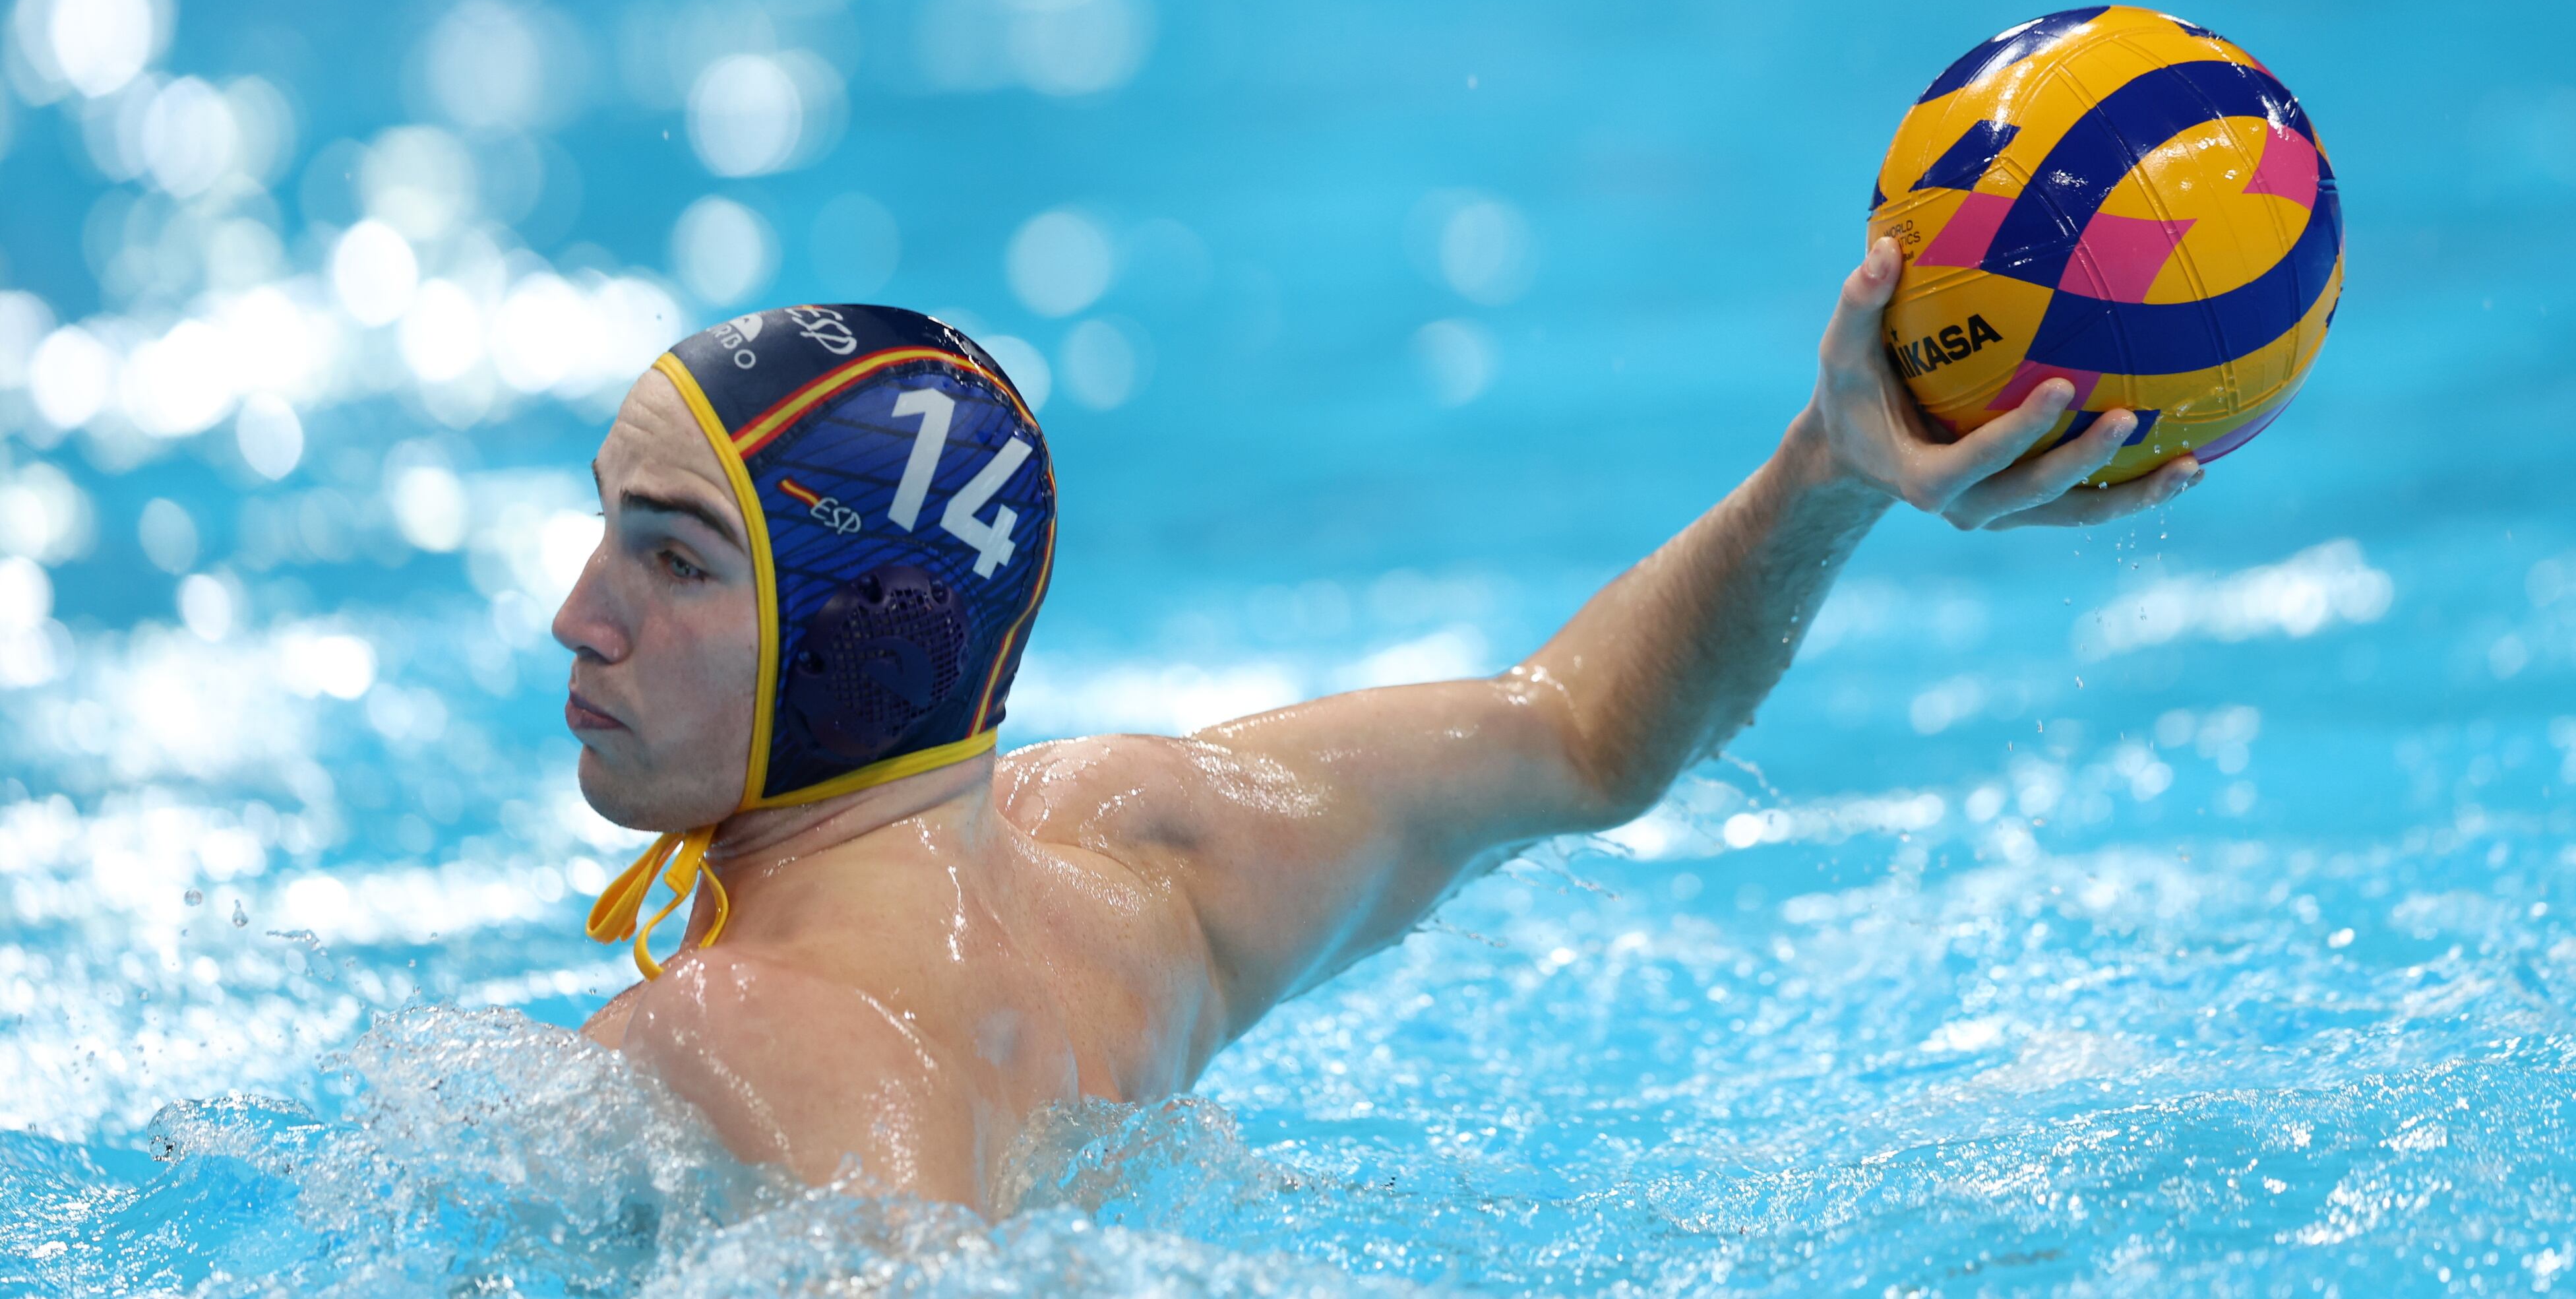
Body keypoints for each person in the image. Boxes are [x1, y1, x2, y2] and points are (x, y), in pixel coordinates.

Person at [557, 238, 2197, 1211]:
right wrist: (1824, 471)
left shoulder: (729, 1029)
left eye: (675, 556)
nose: (584, 612)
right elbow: (1574, 737)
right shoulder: (1144, 865)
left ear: (863, 642)